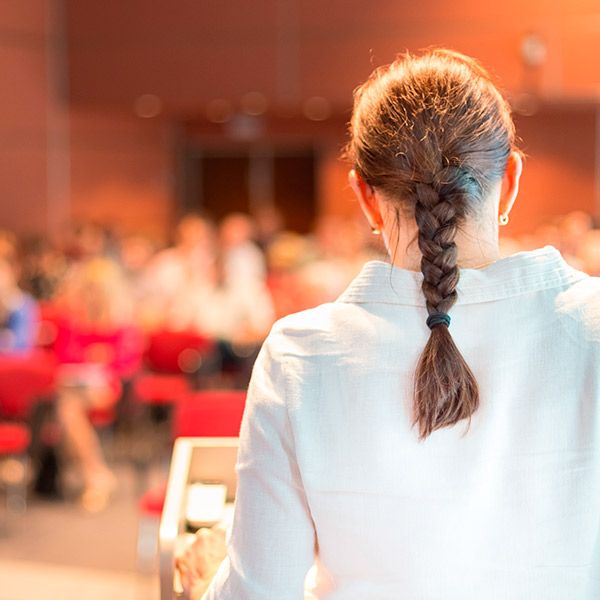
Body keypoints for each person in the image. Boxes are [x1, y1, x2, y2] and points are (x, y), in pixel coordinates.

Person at [179, 49, 600, 599]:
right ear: (512, 179)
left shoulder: (300, 355)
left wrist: (212, 576)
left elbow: (260, 592)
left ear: (365, 198)